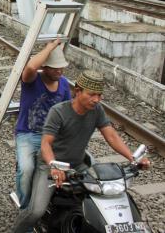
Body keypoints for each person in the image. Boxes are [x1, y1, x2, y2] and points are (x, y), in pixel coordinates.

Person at [12, 70, 151, 233]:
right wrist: (54, 166)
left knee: (105, 195)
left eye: (99, 95)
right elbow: (45, 144)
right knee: (36, 211)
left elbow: (111, 136)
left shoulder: (97, 110)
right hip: (50, 165)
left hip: (78, 164)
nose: (96, 100)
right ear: (77, 91)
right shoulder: (59, 111)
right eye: (92, 94)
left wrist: (133, 158)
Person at [14, 39, 71, 209]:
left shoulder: (64, 84)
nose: (59, 71)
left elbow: (68, 112)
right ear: (45, 67)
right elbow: (30, 67)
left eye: (61, 67)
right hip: (28, 134)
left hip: (52, 136)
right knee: (26, 170)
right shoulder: (32, 80)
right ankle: (25, 210)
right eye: (55, 67)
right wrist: (50, 47)